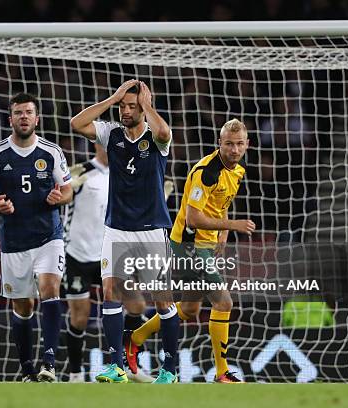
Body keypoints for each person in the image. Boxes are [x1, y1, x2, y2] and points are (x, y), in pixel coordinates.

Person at [125, 118, 255, 383]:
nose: (234, 149)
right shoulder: (206, 172)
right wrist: (234, 224)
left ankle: (135, 338)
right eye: (229, 144)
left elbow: (221, 203)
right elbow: (193, 218)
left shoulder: (237, 170)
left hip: (205, 244)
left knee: (189, 309)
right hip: (188, 245)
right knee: (223, 302)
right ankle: (222, 373)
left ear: (247, 145)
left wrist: (224, 232)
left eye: (239, 144)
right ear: (219, 143)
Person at [71, 79, 179, 384]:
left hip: (150, 229)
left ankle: (169, 369)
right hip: (117, 227)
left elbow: (165, 133)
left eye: (132, 106)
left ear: (143, 108)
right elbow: (77, 123)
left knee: (162, 299)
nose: (126, 111)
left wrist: (147, 106)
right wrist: (112, 98)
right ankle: (116, 365)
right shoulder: (111, 133)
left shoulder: (156, 138)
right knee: (110, 292)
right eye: (124, 106)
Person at [0, 93, 73, 382]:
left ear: (37, 118)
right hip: (15, 241)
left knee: (49, 288)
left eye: (28, 112)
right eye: (18, 113)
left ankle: (48, 362)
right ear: (10, 119)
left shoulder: (51, 152)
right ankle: (27, 370)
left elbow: (68, 190)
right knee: (23, 306)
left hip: (48, 235)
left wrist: (59, 198)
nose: (23, 117)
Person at [62, 143, 154, 383]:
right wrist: (65, 189)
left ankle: (130, 367)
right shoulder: (79, 171)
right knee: (80, 317)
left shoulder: (124, 174)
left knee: (136, 306)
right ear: (96, 144)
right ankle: (75, 373)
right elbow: (59, 199)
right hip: (78, 255)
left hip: (110, 254)